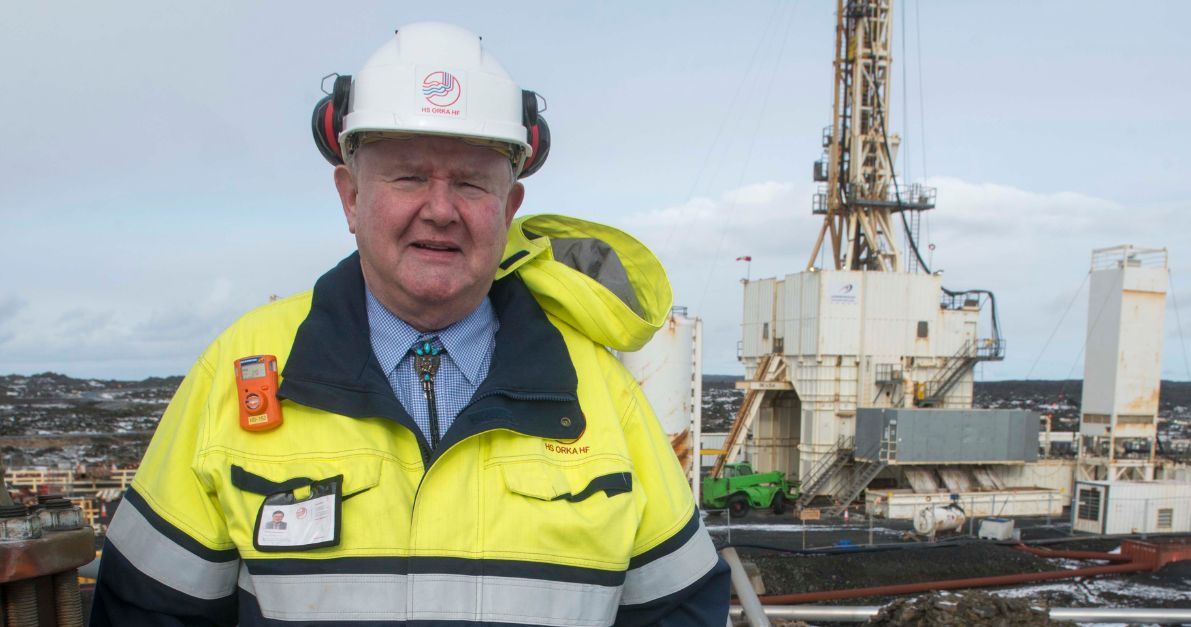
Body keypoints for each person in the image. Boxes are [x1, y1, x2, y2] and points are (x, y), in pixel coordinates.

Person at [91, 21, 729, 626]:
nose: (441, 210)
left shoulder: (599, 390)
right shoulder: (241, 369)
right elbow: (147, 608)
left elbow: (681, 610)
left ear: (509, 208)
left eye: (472, 184)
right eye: (408, 176)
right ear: (351, 196)